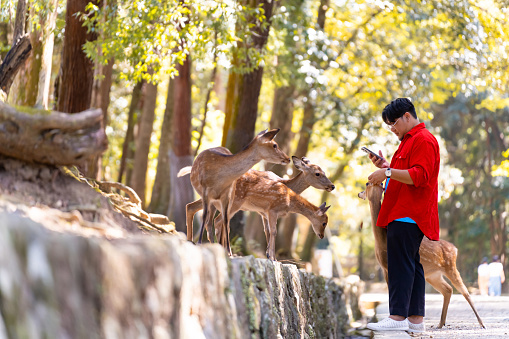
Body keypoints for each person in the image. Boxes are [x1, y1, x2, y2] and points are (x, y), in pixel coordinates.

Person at [365, 98, 440, 333]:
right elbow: (405, 173)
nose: (392, 129)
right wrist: (387, 165)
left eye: (394, 123)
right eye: (389, 125)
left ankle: (397, 317)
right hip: (402, 210)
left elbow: (419, 176)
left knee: (399, 264)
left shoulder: (423, 140)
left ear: (407, 116)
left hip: (409, 212)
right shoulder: (409, 141)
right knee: (412, 265)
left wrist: (386, 172)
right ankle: (416, 321)